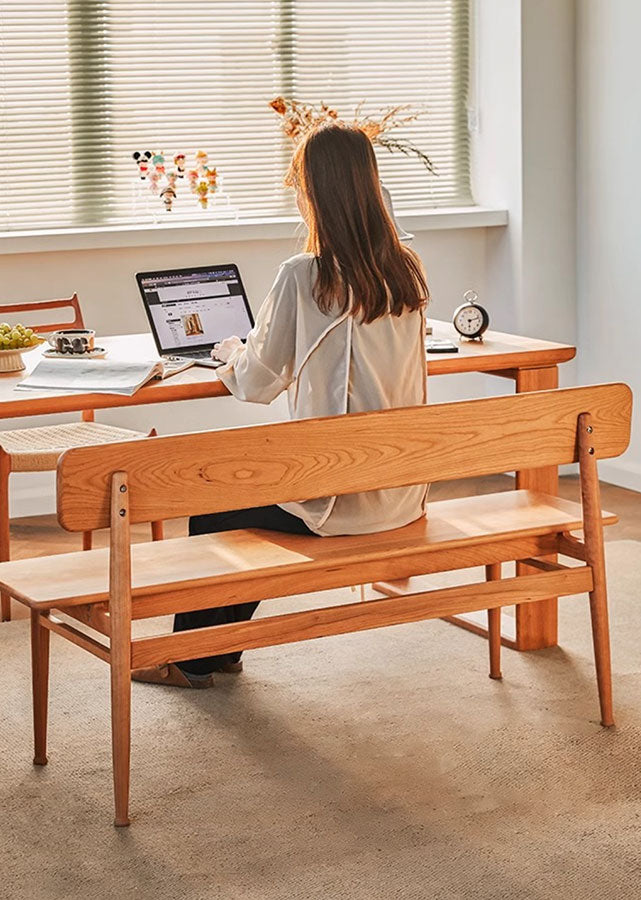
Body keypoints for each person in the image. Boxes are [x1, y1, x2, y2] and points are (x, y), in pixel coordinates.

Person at [133, 124, 429, 689]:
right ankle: (222, 649)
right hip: (401, 491)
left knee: (214, 511)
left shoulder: (305, 275)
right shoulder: (404, 271)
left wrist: (228, 350)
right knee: (245, 504)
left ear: (314, 193)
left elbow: (258, 381)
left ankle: (194, 657)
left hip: (340, 501)